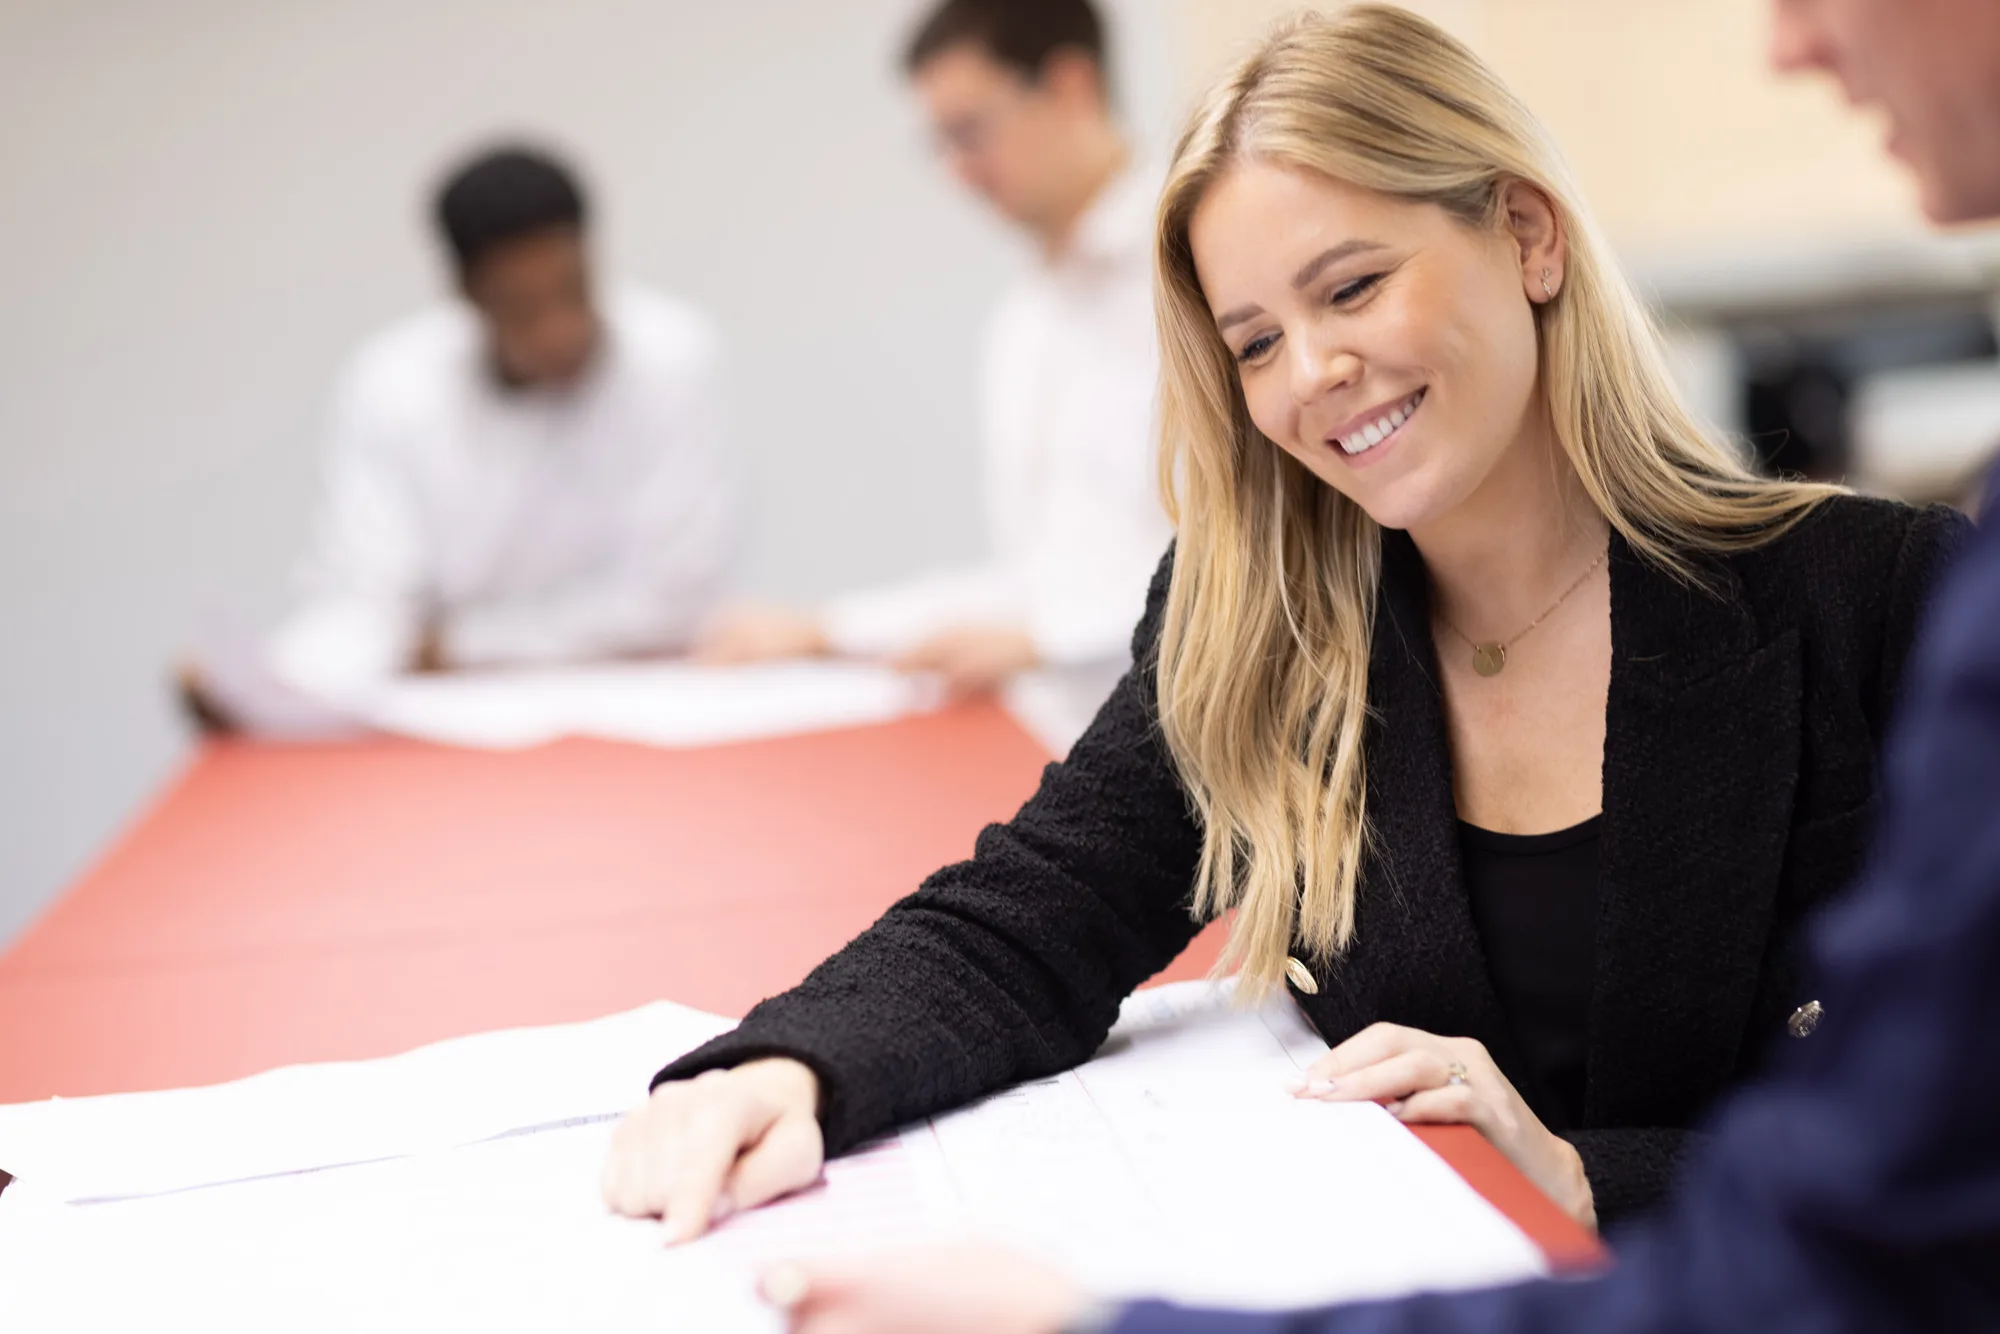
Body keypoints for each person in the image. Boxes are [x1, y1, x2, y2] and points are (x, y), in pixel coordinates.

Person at [606, 0, 1966, 1290]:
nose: (1310, 373)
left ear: (1530, 237)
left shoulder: (1881, 601)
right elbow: (1038, 912)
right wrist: (786, 1070)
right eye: (1255, 340)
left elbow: (1959, 1121)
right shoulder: (1261, 624)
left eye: (1353, 287)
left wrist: (1588, 1175)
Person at [695, 0, 1170, 729]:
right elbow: (1042, 579)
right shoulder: (1029, 318)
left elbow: (1257, 554)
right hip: (1061, 733)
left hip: (1195, 741)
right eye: (941, 144)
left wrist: (1046, 639)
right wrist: (825, 630)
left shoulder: (1196, 273)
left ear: (1070, 86)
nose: (957, 174)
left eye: (970, 134)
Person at [184, 144, 734, 724]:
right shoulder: (393, 385)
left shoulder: (672, 358)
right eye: (523, 308)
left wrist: (460, 645)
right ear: (467, 293)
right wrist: (275, 679)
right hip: (451, 725)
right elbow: (368, 593)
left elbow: (672, 598)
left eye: (573, 290)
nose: (558, 329)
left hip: (650, 710)